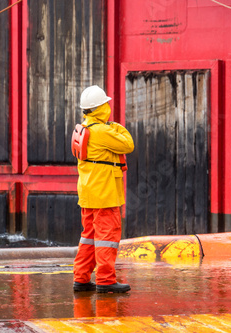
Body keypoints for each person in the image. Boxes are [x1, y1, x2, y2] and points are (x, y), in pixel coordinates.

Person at [73, 85, 134, 293]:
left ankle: (81, 278)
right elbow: (128, 145)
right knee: (107, 237)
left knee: (89, 236)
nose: (108, 106)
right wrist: (117, 127)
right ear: (99, 108)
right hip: (105, 194)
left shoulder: (83, 129)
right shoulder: (102, 131)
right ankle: (106, 281)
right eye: (105, 104)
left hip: (89, 192)